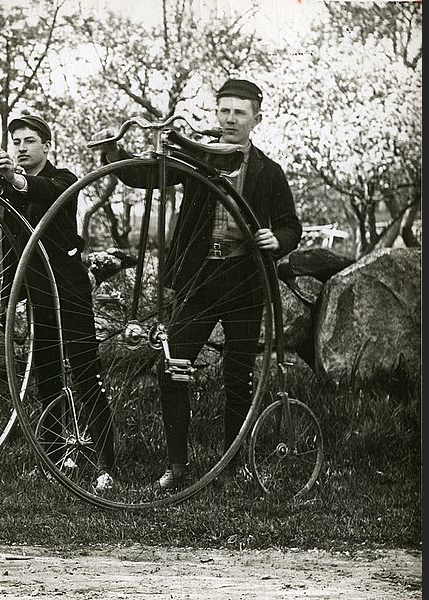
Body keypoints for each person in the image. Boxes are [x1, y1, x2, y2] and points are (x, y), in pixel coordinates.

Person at [96, 79, 301, 490]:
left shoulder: (269, 172)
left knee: (238, 376)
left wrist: (276, 239)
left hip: (245, 279)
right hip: (201, 279)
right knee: (170, 364)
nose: (229, 119)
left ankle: (232, 464)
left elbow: (290, 225)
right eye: (223, 110)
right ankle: (178, 466)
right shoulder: (199, 160)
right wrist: (115, 155)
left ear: (256, 119)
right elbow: (148, 174)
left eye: (239, 112)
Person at [0, 114, 117, 493]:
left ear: (47, 145)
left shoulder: (64, 179)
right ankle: (56, 455)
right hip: (36, 293)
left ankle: (106, 463)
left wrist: (14, 179)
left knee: (85, 370)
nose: (22, 148)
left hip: (69, 290)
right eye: (17, 142)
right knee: (47, 375)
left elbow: (42, 192)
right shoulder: (8, 184)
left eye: (30, 141)